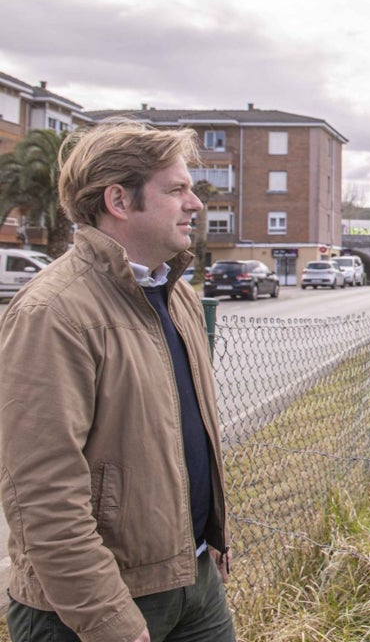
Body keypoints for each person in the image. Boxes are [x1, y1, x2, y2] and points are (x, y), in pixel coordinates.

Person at [0, 121, 233, 642]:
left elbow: (185, 435)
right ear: (119, 201)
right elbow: (41, 496)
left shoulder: (177, 295)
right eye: (176, 190)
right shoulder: (52, 312)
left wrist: (210, 536)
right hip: (89, 610)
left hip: (193, 581)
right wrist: (108, 620)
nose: (195, 204)